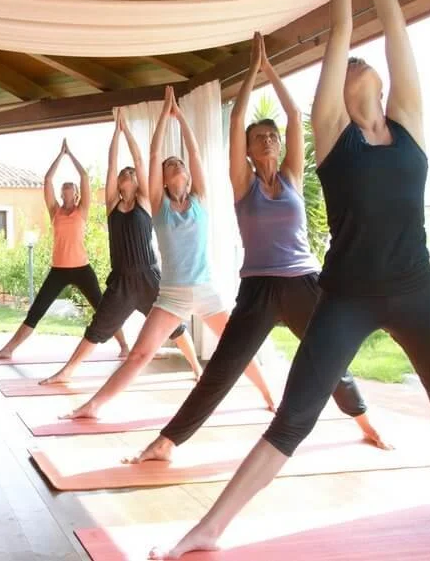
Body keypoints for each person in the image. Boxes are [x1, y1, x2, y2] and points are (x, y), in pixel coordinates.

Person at [149, 0, 430, 559]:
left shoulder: (409, 122)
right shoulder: (331, 136)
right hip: (347, 296)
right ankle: (207, 529)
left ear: (383, 85)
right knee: (294, 416)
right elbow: (343, 31)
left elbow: (393, 27)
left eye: (365, 62)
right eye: (349, 61)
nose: (355, 60)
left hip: (416, 291)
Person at [130, 32, 388, 467]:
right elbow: (236, 123)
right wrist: (251, 72)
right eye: (259, 137)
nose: (267, 140)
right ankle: (167, 442)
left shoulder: (290, 174)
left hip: (304, 284)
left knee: (329, 358)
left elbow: (291, 112)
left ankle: (365, 423)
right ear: (247, 151)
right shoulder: (242, 183)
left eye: (272, 136)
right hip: (258, 289)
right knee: (223, 369)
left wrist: (270, 71)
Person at [62, 86, 275, 419]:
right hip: (171, 295)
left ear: (188, 176)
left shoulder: (201, 199)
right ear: (161, 180)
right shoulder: (158, 205)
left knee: (238, 347)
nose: (176, 165)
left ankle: (268, 396)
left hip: (206, 292)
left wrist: (183, 119)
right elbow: (153, 153)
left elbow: (194, 152)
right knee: (139, 355)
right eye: (170, 165)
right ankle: (92, 406)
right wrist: (164, 114)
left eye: (180, 164)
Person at [38, 109, 197, 386]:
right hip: (121, 281)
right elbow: (112, 165)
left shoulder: (146, 201)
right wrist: (116, 132)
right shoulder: (112, 204)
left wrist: (128, 132)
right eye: (122, 173)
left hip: (148, 277)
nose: (125, 171)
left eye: (130, 172)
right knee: (97, 328)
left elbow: (138, 159)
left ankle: (197, 368)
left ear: (137, 181)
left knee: (173, 324)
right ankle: (66, 372)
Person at [0, 139, 129, 360]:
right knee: (37, 310)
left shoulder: (82, 210)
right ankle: (8, 350)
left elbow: (84, 177)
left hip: (82, 268)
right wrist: (59, 156)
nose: (66, 189)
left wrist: (70, 154)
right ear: (62, 194)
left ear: (75, 194)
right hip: (59, 270)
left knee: (103, 309)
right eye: (64, 188)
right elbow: (47, 179)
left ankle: (124, 346)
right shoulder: (55, 211)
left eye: (70, 187)